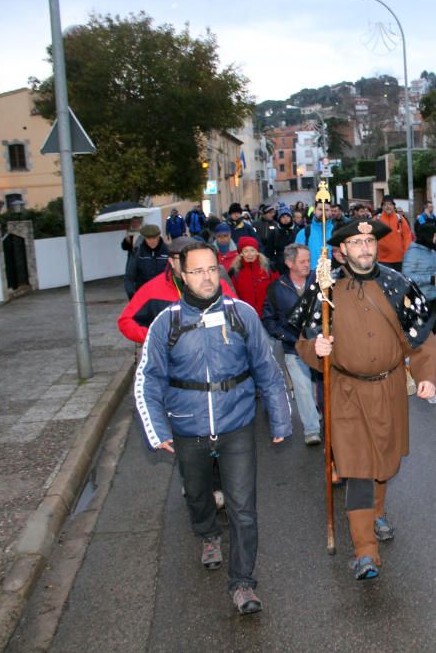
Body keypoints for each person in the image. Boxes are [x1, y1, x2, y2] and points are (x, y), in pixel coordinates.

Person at [135, 241, 292, 614]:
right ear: (181, 274)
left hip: (236, 423)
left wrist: (281, 417)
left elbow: (267, 371)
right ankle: (207, 533)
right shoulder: (166, 323)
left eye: (212, 270)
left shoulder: (242, 315)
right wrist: (158, 430)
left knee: (243, 508)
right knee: (198, 495)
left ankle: (243, 584)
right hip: (188, 427)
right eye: (197, 271)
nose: (207, 278)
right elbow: (148, 381)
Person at [291, 218, 436, 580]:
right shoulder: (325, 289)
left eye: (369, 241)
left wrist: (426, 376)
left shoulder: (397, 284)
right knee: (357, 469)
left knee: (384, 464)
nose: (365, 249)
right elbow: (303, 339)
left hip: (388, 389)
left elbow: (422, 336)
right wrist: (317, 348)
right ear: (342, 251)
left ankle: (376, 513)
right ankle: (365, 551)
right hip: (346, 392)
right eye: (356, 243)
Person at [118, 236, 235, 344]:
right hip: (172, 361)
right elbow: (126, 321)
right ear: (171, 262)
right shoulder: (152, 289)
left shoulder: (216, 285)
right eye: (181, 258)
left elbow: (237, 315)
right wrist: (157, 337)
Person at [262, 243, 322, 446]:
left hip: (321, 345)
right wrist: (285, 336)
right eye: (302, 261)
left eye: (309, 260)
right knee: (303, 388)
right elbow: (269, 319)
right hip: (293, 347)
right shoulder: (276, 289)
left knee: (322, 386)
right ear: (289, 263)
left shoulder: (320, 281)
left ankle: (323, 414)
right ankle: (312, 429)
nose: (308, 265)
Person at [403, 222, 436, 342]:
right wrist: (429, 280)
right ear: (428, 236)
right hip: (420, 297)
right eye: (435, 235)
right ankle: (421, 356)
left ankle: (431, 355)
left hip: (434, 297)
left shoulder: (432, 252)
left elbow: (435, 274)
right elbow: (407, 275)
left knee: (433, 329)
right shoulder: (412, 252)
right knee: (421, 331)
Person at [229, 236, 278, 317]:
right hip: (246, 316)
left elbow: (277, 290)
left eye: (252, 250)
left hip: (268, 315)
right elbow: (232, 296)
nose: (249, 254)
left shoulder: (268, 268)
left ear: (257, 252)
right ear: (241, 253)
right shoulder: (235, 272)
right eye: (246, 251)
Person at [125, 224, 170, 299]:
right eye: (149, 238)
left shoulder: (168, 251)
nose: (152, 241)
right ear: (144, 238)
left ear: (159, 236)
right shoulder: (137, 253)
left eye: (154, 238)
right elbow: (129, 276)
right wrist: (131, 295)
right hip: (144, 296)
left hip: (164, 295)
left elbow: (176, 274)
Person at [375, 196, 413, 271]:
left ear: (394, 206)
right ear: (382, 207)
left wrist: (406, 253)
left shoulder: (400, 219)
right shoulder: (377, 219)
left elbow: (407, 237)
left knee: (398, 280)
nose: (388, 206)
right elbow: (371, 237)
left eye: (390, 204)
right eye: (385, 204)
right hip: (382, 259)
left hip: (399, 258)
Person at [294, 200, 335, 270]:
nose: (323, 212)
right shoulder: (303, 233)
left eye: (327, 210)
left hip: (334, 276)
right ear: (314, 210)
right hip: (310, 277)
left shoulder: (337, 232)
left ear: (331, 212)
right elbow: (297, 258)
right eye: (320, 209)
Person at [261, 206, 298, 276]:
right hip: (279, 267)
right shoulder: (274, 232)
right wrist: (272, 263)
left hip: (295, 264)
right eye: (283, 217)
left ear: (291, 218)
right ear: (279, 219)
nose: (285, 219)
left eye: (287, 216)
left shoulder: (297, 231)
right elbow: (268, 251)